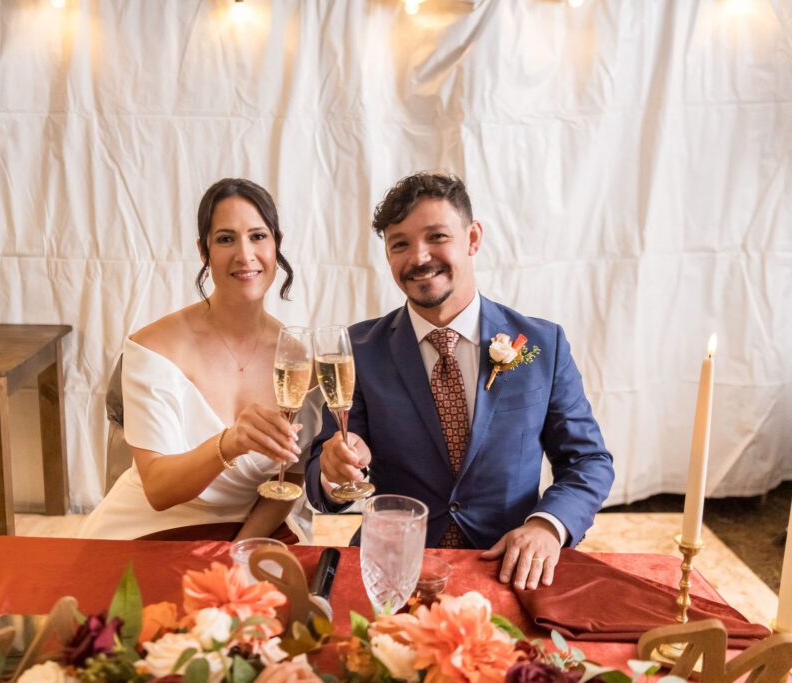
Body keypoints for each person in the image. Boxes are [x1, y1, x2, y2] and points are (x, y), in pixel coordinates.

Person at [305, 172, 614, 590]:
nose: (419, 257)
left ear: (472, 238)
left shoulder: (544, 344)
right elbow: (323, 476)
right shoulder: (358, 350)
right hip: (391, 572)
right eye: (400, 244)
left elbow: (587, 461)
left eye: (436, 236)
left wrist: (547, 526)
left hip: (509, 571)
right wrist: (334, 470)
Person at [80, 178, 317, 541]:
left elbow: (292, 477)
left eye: (257, 236)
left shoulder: (298, 361)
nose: (245, 255)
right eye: (226, 239)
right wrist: (230, 443)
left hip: (253, 530)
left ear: (276, 245)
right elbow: (158, 490)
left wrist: (240, 550)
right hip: (149, 527)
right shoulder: (152, 347)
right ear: (204, 252)